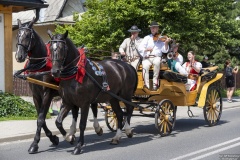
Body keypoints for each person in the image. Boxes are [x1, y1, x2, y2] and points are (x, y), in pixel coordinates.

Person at [139, 21, 171, 90]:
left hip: (156, 57)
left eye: (154, 28)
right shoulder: (146, 38)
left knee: (157, 62)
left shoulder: (161, 38)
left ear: (157, 29)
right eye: (151, 28)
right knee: (145, 66)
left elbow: (164, 50)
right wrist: (146, 49)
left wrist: (166, 43)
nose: (153, 29)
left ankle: (155, 83)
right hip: (147, 57)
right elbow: (140, 48)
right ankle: (146, 85)